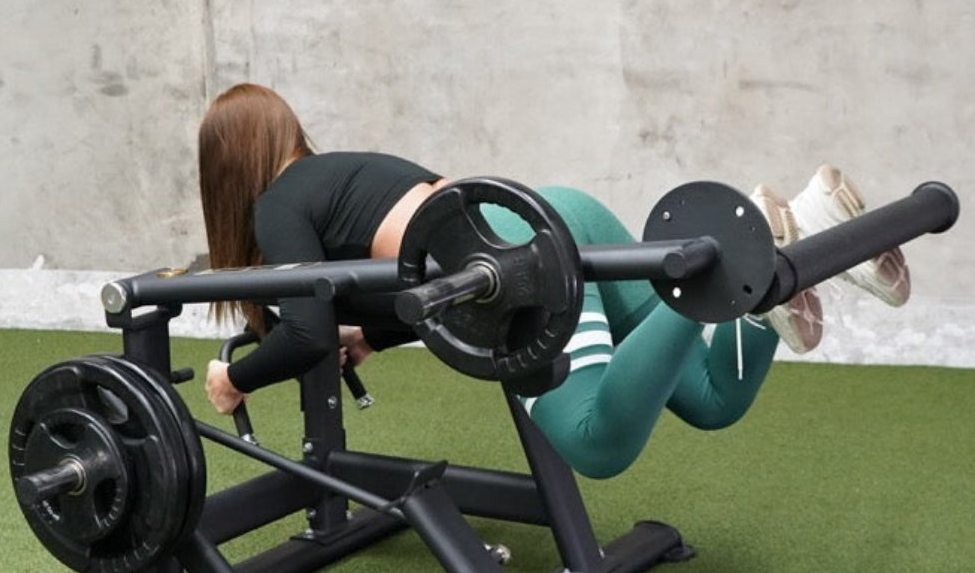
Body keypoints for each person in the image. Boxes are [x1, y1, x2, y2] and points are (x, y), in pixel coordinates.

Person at [200, 83, 910, 479]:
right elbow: (411, 274)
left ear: (225, 169)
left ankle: (737, 255)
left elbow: (302, 330)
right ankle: (784, 267)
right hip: (553, 215)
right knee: (712, 398)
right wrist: (372, 339)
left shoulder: (278, 205)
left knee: (595, 440)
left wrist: (239, 381)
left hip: (516, 262)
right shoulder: (349, 170)